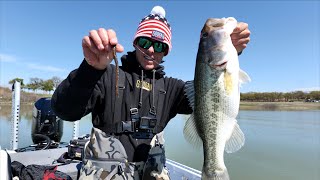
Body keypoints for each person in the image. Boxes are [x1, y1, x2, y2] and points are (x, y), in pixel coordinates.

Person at [52, 6, 250, 180]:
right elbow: (65, 111)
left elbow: (210, 93)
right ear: (135, 42)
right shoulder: (106, 75)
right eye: (146, 42)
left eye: (160, 46)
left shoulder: (173, 88)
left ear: (166, 51)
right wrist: (90, 69)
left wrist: (231, 50)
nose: (152, 50)